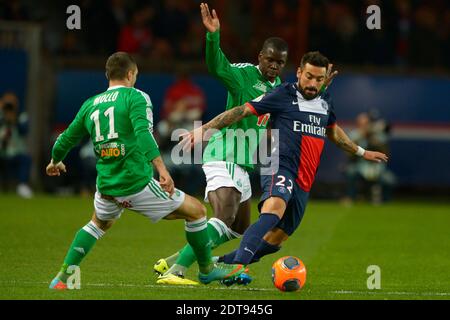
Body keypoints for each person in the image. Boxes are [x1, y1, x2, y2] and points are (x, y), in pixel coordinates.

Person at [181, 51, 388, 284]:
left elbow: (334, 131)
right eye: (309, 77)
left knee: (275, 239)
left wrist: (361, 151)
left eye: (319, 80)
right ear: (299, 72)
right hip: (279, 165)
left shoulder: (324, 100)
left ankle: (221, 261)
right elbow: (242, 110)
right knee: (273, 211)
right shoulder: (282, 94)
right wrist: (205, 129)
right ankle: (237, 268)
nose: (313, 83)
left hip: (304, 178)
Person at [46, 52, 245, 290]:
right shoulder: (136, 97)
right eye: (135, 75)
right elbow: (143, 135)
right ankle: (207, 270)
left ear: (107, 75)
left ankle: (63, 278)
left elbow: (66, 138)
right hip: (135, 182)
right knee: (197, 211)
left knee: (98, 224)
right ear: (131, 74)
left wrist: (55, 160)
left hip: (107, 185)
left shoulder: (90, 104)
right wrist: (162, 170)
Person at [153, 2, 289, 284]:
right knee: (223, 216)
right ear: (260, 56)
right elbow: (217, 67)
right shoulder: (243, 76)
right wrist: (213, 36)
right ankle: (177, 272)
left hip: (243, 162)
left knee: (239, 228)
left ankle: (171, 260)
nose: (273, 66)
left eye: (279, 62)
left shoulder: (278, 90)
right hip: (223, 155)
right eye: (269, 59)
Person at [0, 92, 33, 198]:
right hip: (2, 152)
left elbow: (24, 131)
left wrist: (14, 120)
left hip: (16, 153)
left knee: (26, 159)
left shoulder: (21, 116)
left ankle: (22, 186)